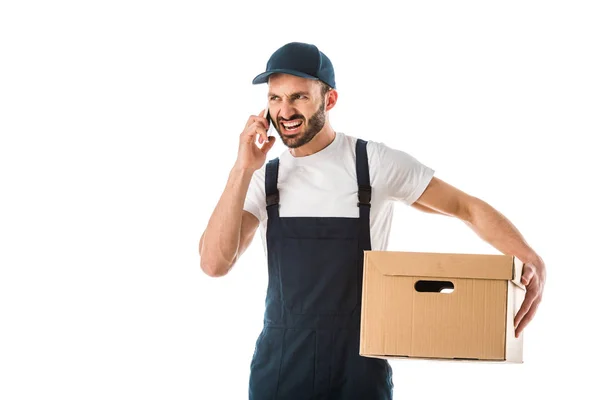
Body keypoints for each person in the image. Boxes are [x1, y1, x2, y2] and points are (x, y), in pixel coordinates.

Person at [198, 42, 546, 400]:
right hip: (283, 365)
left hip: (360, 368)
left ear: (329, 100)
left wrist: (529, 257)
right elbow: (214, 263)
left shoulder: (371, 163)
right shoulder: (262, 178)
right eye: (275, 98)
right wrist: (242, 168)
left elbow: (464, 206)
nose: (284, 111)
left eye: (299, 97)